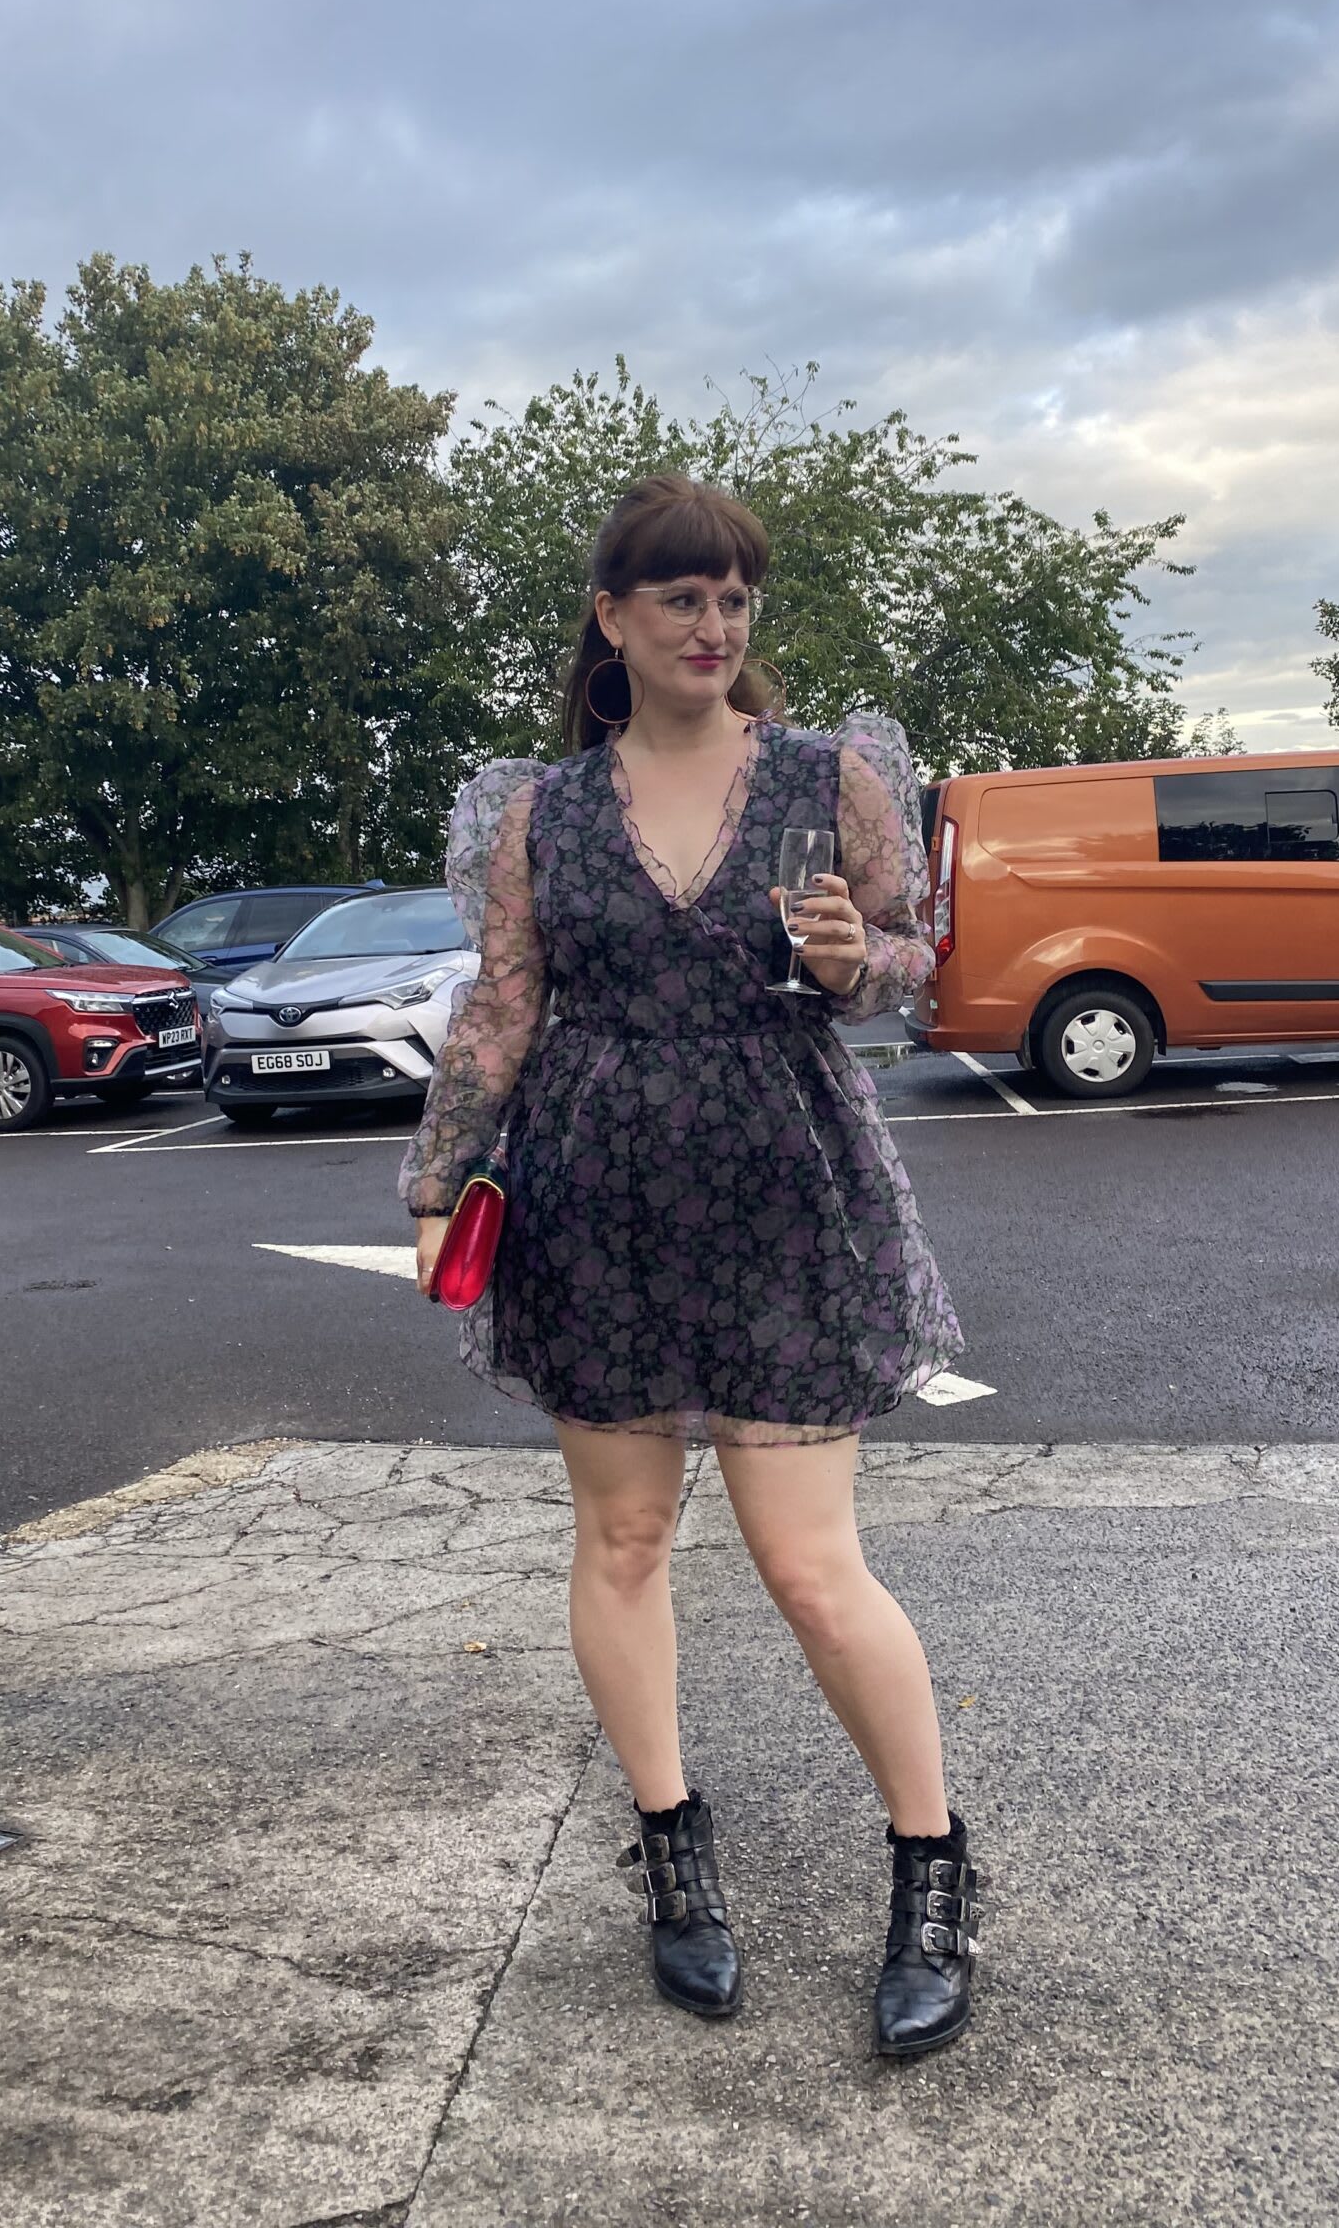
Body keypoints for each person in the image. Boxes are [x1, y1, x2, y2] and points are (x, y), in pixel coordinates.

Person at [400, 473, 979, 2058]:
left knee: (808, 1563)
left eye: (734, 599)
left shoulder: (825, 774)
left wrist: (871, 962)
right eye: (681, 598)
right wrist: (444, 1175)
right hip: (596, 1189)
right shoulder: (541, 810)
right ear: (613, 617)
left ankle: (931, 1873)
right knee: (628, 1537)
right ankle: (673, 1857)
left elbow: (908, 966)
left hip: (787, 1184)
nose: (714, 625)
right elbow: (504, 1009)